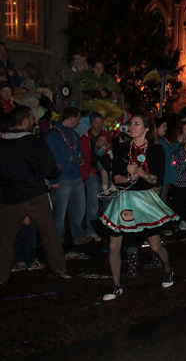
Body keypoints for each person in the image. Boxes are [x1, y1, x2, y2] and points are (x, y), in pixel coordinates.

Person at [98, 114, 178, 301]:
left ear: (147, 129)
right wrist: (129, 178)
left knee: (155, 244)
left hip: (144, 200)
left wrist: (139, 172)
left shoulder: (156, 150)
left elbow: (155, 179)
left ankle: (168, 270)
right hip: (124, 199)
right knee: (114, 244)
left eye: (137, 124)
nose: (132, 127)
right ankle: (117, 285)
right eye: (131, 123)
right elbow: (116, 177)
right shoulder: (121, 148)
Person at [0, 106, 69, 286]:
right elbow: (48, 168)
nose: (34, 122)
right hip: (35, 195)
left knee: (5, 239)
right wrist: (56, 171)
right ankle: (59, 269)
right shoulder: (34, 142)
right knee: (48, 234)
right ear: (24, 122)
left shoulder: (2, 143)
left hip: (11, 197)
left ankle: (2, 276)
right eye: (31, 119)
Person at [44, 106, 93, 246]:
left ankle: (78, 235)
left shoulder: (73, 134)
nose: (78, 122)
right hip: (62, 178)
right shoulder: (52, 135)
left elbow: (79, 152)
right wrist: (53, 179)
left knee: (78, 210)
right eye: (77, 119)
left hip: (75, 176)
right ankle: (57, 240)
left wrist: (81, 159)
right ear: (71, 118)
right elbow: (49, 159)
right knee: (59, 212)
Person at [80, 113, 112, 241]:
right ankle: (91, 230)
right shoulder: (86, 138)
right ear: (91, 123)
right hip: (93, 173)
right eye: (96, 122)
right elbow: (86, 157)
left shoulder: (106, 137)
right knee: (93, 203)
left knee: (109, 201)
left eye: (100, 122)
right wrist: (89, 171)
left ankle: (106, 228)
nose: (98, 125)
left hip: (104, 172)